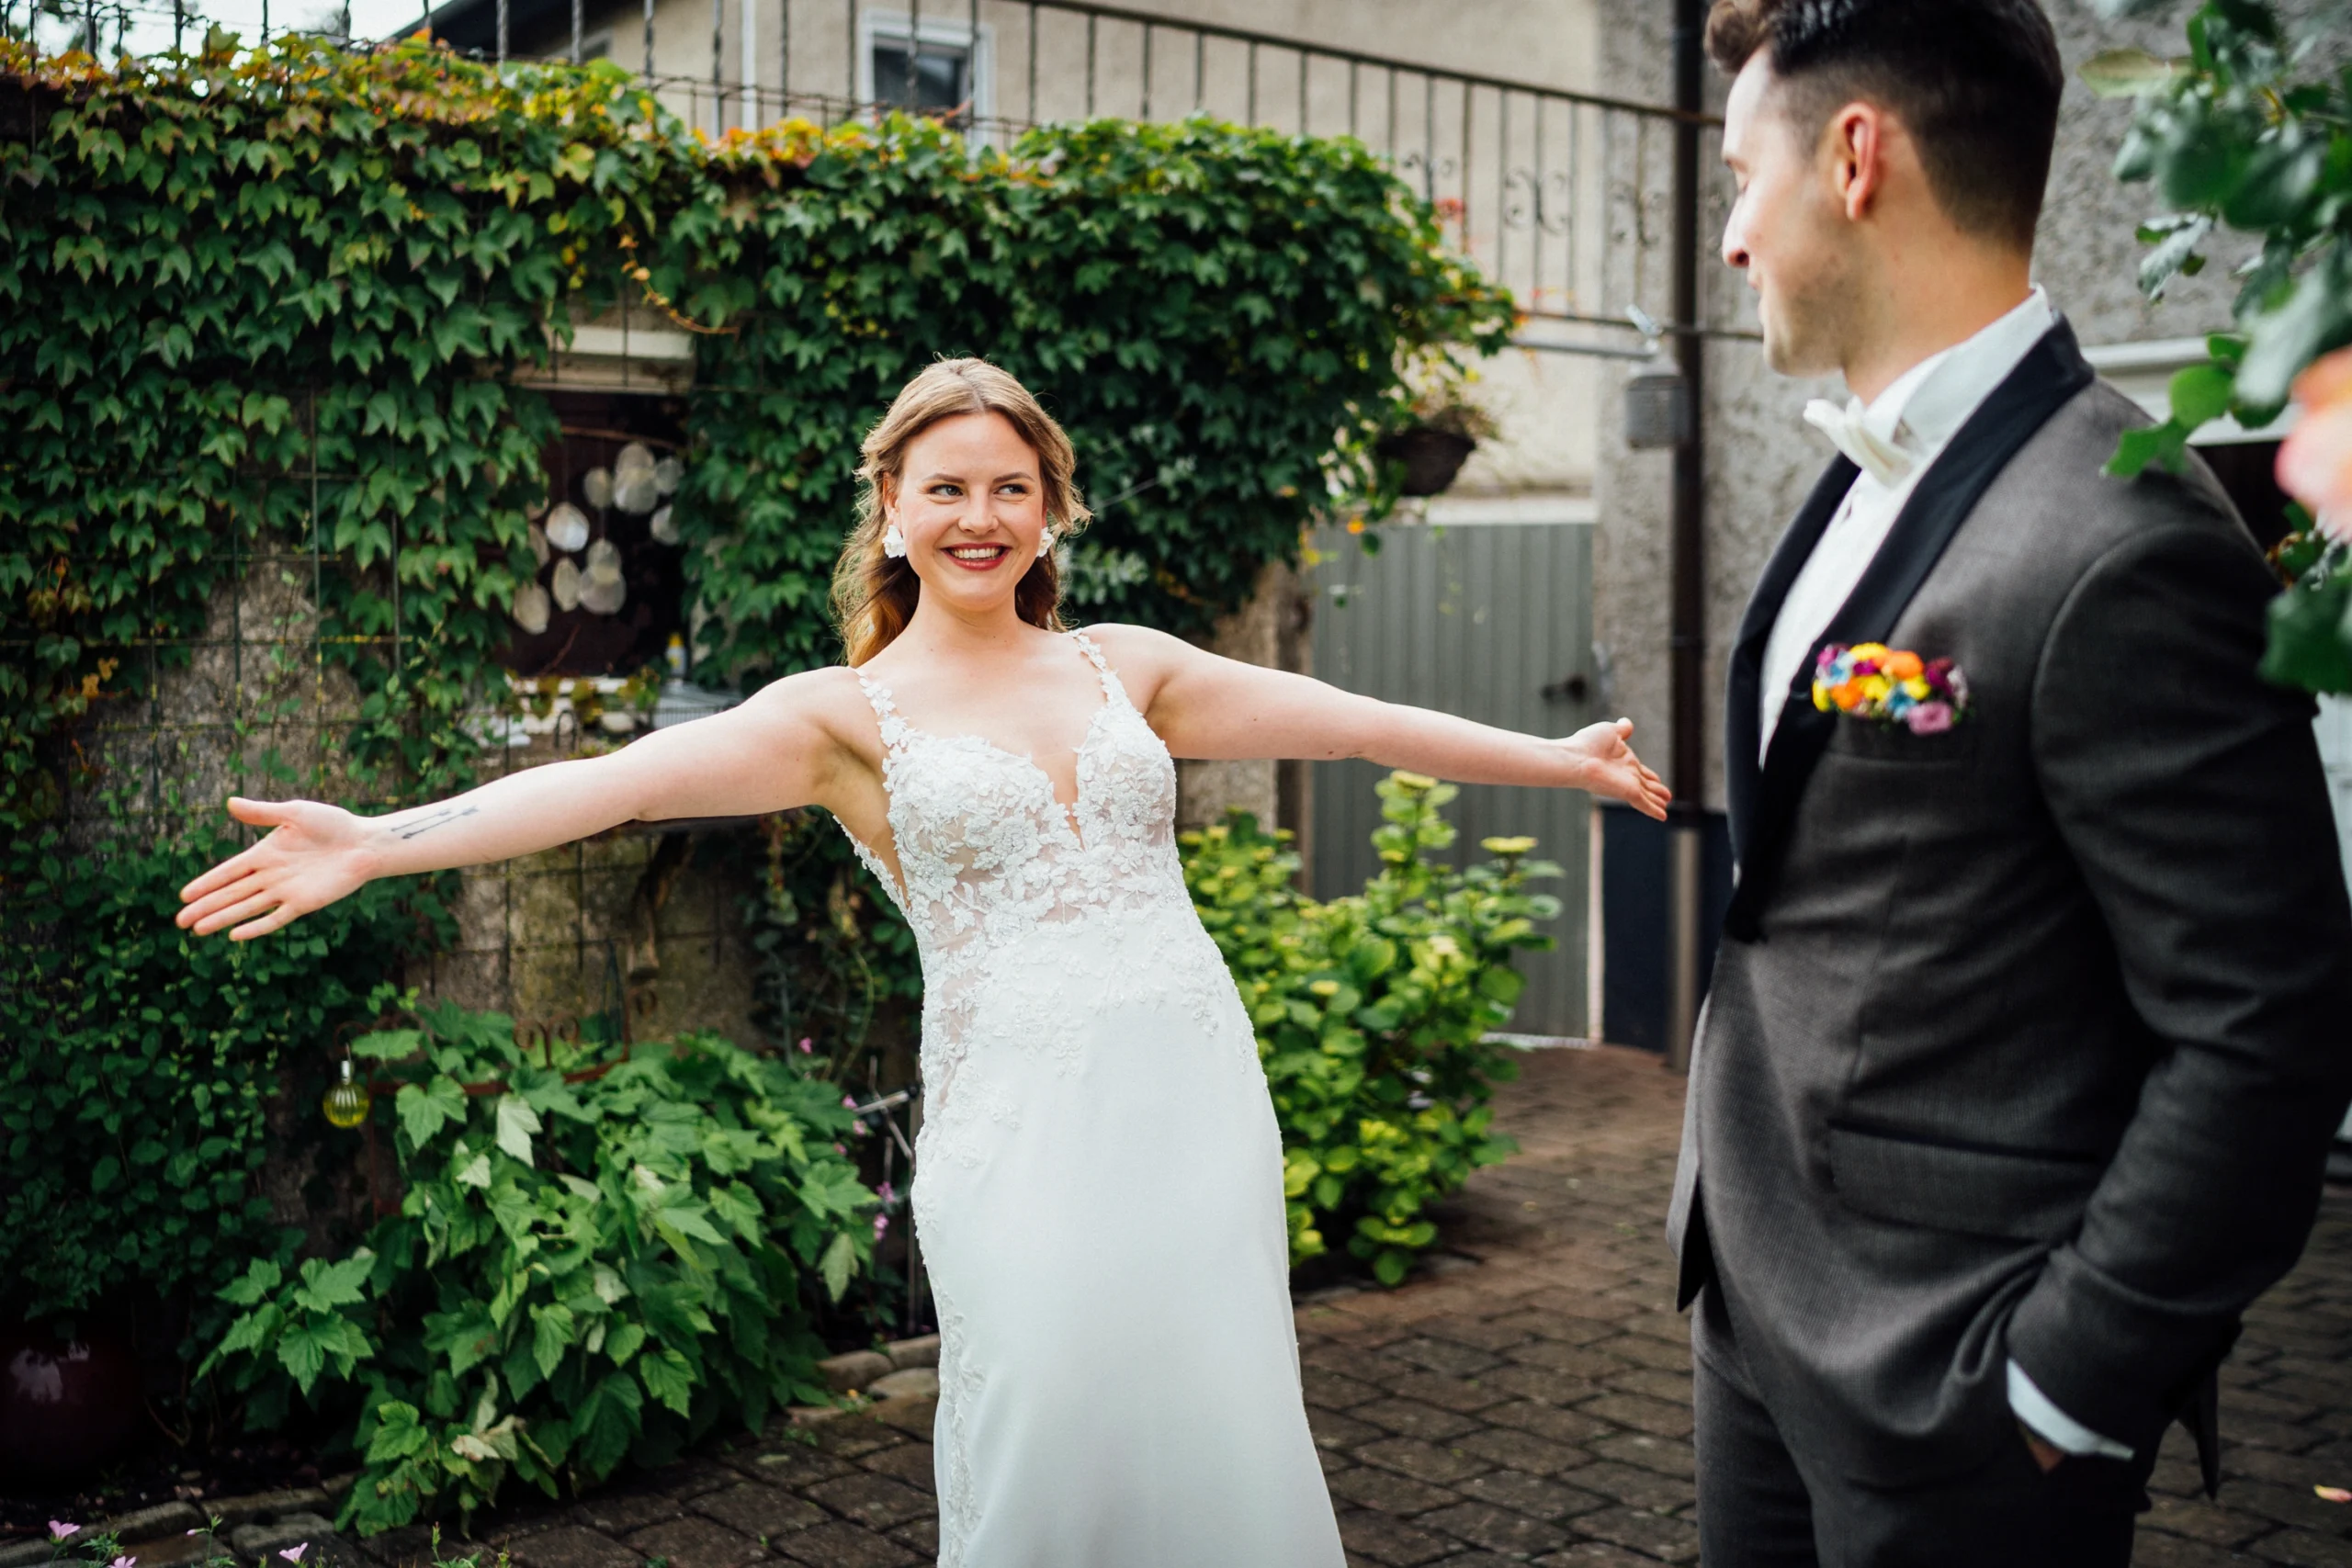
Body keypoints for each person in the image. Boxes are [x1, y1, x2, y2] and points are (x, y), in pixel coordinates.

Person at [176, 357, 1669, 1567]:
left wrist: (1549, 758)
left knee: (1223, 1417)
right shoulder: (842, 716)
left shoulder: (1126, 665)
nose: (979, 514)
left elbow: (1342, 717)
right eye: (946, 486)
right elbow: (620, 781)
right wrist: (378, 837)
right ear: (891, 506)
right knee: (1046, 1432)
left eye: (1009, 487)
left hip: (1196, 1104)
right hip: (1020, 1127)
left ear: (1049, 511)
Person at [1668, 2, 2352, 1563]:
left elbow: (2265, 1021)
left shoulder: (2126, 540)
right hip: (1751, 1316)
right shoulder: (1851, 470)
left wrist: (2064, 1383)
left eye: (1736, 178)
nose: (1729, 241)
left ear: (1856, 158)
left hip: (1956, 1386)